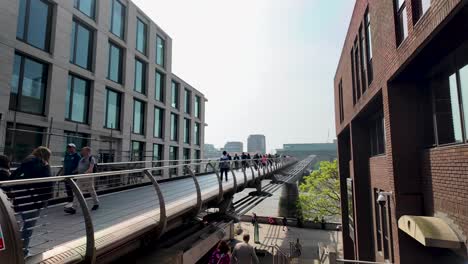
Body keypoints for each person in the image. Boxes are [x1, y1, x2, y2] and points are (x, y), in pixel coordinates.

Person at [10, 146, 53, 256]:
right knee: (28, 227)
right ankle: (23, 251)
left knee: (18, 225)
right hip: (33, 200)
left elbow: (12, 178)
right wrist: (45, 199)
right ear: (46, 156)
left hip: (19, 198)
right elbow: (48, 184)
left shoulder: (25, 162)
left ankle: (14, 249)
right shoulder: (44, 165)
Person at [65, 147, 99, 214]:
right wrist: (72, 172)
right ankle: (74, 208)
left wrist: (84, 174)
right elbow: (78, 168)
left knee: (91, 190)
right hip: (80, 177)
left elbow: (91, 169)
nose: (81, 151)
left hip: (87, 177)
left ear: (87, 151)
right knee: (76, 190)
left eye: (83, 150)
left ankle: (96, 203)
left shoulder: (91, 158)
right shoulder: (81, 159)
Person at [63, 143, 81, 211]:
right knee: (68, 188)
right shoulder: (66, 155)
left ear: (74, 148)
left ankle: (75, 202)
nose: (69, 149)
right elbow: (64, 165)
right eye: (68, 148)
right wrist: (63, 172)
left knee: (73, 188)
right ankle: (70, 201)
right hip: (66, 174)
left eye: (70, 147)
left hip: (73, 175)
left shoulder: (77, 156)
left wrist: (74, 171)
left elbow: (79, 165)